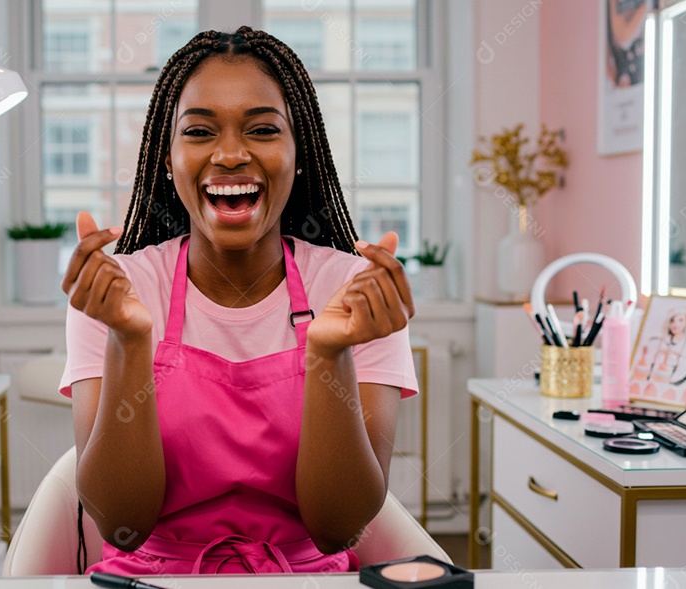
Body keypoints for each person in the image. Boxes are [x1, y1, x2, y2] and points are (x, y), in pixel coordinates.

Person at [59, 26, 418, 576]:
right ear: (167, 156)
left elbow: (339, 527)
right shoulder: (120, 290)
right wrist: (129, 340)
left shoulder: (352, 292)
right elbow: (121, 525)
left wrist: (329, 354)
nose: (230, 154)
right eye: (200, 131)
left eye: (262, 129)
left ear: (300, 156)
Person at [630, 307, 686, 404]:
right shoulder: (658, 342)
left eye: (680, 320)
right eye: (673, 320)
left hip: (678, 391)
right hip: (651, 389)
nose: (675, 324)